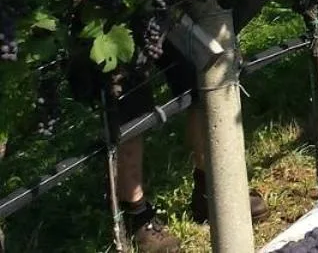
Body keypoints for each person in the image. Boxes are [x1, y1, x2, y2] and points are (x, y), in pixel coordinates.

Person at [69, 47, 271, 252]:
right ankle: (136, 214)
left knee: (202, 71)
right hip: (114, 23)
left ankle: (211, 188)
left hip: (168, 17)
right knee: (126, 98)